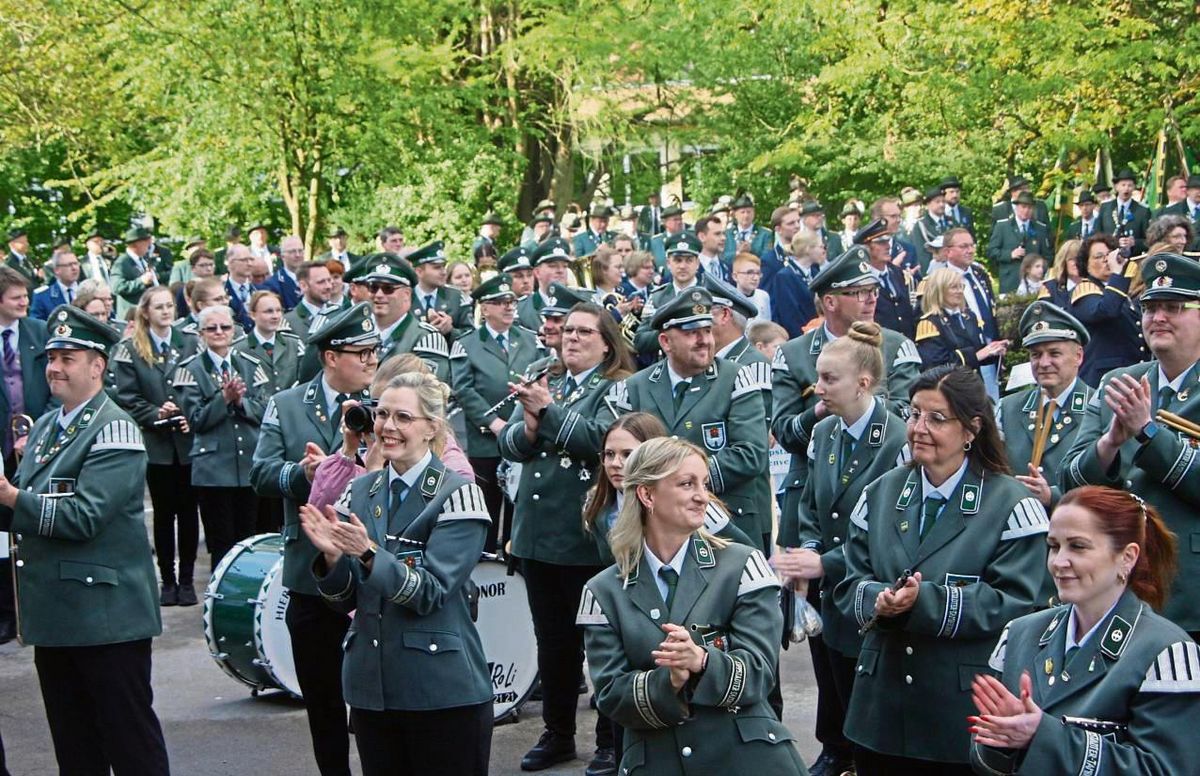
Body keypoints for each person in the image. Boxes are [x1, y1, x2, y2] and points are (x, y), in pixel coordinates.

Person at [833, 365, 1049, 773]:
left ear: (971, 430)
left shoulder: (1012, 504)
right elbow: (848, 584)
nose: (918, 427)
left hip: (957, 713)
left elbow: (1020, 604)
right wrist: (879, 600)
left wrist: (925, 602)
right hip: (881, 709)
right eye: (913, 414)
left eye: (937, 418)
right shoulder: (880, 493)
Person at [0, 305, 169, 775]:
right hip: (56, 615)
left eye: (67, 357)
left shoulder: (114, 427)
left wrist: (12, 496)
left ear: (97, 365)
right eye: (51, 356)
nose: (54, 367)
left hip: (106, 617)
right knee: (75, 747)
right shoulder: (49, 426)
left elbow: (86, 516)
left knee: (129, 742)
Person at [578, 437, 806, 775]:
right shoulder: (603, 591)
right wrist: (668, 681)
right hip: (659, 761)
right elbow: (612, 696)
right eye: (687, 484)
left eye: (704, 483)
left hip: (746, 757)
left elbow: (760, 673)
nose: (703, 496)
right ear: (647, 494)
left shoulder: (743, 565)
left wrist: (701, 662)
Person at [301, 371, 493, 775]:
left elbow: (431, 592)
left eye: (404, 417)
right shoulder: (361, 490)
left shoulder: (459, 492)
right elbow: (345, 600)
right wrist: (333, 561)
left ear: (432, 429)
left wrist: (369, 553)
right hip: (373, 688)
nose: (388, 426)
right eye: (382, 414)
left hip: (440, 690)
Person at [970, 486, 1200, 775]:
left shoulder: (1166, 652)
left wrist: (1042, 736)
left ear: (1127, 557)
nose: (1058, 562)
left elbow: (1165, 769)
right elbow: (983, 759)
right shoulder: (1019, 634)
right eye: (1054, 546)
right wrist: (1003, 741)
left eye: (1078, 546)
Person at [496, 302, 632, 773]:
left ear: (606, 342)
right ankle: (557, 733)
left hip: (586, 538)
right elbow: (510, 445)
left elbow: (607, 442)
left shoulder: (616, 387)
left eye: (583, 331)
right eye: (567, 330)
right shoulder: (544, 376)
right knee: (552, 643)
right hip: (537, 534)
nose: (570, 337)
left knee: (601, 643)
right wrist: (532, 427)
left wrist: (548, 414)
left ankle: (610, 740)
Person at [774, 321, 910, 776]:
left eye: (830, 379)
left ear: (864, 383)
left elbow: (890, 529)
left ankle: (864, 753)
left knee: (863, 673)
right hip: (830, 579)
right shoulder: (824, 432)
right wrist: (809, 549)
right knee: (828, 663)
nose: (818, 387)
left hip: (868, 580)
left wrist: (825, 561)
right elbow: (811, 502)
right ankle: (835, 748)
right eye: (818, 376)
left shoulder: (896, 439)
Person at [250, 301, 378, 776]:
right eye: (359, 352)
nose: (370, 361)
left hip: (369, 570)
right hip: (310, 572)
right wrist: (302, 473)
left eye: (373, 351)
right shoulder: (287, 405)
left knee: (375, 703)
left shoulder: (388, 405)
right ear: (330, 357)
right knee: (323, 700)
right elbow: (261, 473)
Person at [1061, 252, 1200, 640]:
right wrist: (1109, 443)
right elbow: (1069, 480)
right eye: (1150, 308)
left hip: (1189, 594)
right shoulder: (1119, 381)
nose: (1158, 318)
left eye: (1174, 307)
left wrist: (1149, 434)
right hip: (1116, 590)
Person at [772, 246, 921, 554]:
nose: (871, 299)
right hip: (812, 501)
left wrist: (855, 404)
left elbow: (908, 413)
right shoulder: (792, 353)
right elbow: (785, 431)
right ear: (830, 302)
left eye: (874, 291)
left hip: (878, 481)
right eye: (859, 292)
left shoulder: (897, 346)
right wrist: (821, 409)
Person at [609, 288, 771, 551]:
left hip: (725, 523)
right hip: (656, 531)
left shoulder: (737, 378)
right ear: (665, 341)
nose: (704, 340)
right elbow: (623, 455)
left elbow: (750, 454)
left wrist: (680, 484)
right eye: (691, 333)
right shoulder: (635, 387)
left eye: (707, 330)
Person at [113, 287, 201, 607]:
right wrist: (154, 413)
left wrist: (189, 412)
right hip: (157, 444)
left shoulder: (190, 340)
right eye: (159, 307)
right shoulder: (132, 348)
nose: (166, 311)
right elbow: (126, 396)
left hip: (188, 440)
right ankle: (168, 579)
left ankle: (188, 579)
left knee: (189, 513)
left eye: (169, 306)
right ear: (146, 312)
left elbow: (200, 383)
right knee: (164, 514)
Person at [450, 273, 546, 552]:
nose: (508, 306)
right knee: (487, 507)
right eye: (499, 302)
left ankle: (516, 562)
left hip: (524, 435)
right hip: (485, 441)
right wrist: (493, 423)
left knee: (520, 506)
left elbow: (540, 378)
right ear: (485, 307)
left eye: (511, 301)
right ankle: (485, 563)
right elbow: (464, 390)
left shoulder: (529, 339)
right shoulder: (466, 343)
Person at [583, 413, 754, 568]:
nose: (615, 463)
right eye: (609, 454)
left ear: (654, 457)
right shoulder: (599, 506)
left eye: (628, 454)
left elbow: (749, 556)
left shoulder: (697, 508)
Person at [174, 304, 269, 568]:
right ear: (201, 333)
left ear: (234, 330)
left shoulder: (250, 364)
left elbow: (265, 409)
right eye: (211, 328)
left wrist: (241, 404)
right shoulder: (190, 369)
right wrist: (224, 398)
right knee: (221, 542)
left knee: (249, 539)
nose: (219, 332)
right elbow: (196, 421)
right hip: (214, 469)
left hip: (249, 463)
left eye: (225, 327)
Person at [996, 303, 1093, 516]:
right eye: (1036, 355)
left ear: (1078, 356)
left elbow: (1109, 481)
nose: (1044, 363)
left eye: (1054, 353)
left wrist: (1053, 496)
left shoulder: (1098, 407)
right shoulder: (1009, 407)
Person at [1069, 235, 1147, 387]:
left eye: (1109, 254)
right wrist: (1118, 274)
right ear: (1086, 264)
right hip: (1102, 380)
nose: (1106, 260)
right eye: (1098, 257)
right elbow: (1107, 311)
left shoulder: (1119, 292)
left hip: (1129, 376)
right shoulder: (1085, 288)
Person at [362, 258, 450, 379]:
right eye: (373, 287)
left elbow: (429, 392)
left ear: (407, 294)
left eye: (388, 288)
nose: (379, 294)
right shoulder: (356, 332)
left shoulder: (425, 338)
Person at [915, 268, 1008, 376]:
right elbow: (935, 365)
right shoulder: (929, 323)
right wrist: (976, 356)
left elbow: (978, 353)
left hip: (974, 383)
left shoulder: (969, 317)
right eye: (954, 287)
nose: (959, 291)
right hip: (951, 388)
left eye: (961, 286)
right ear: (939, 290)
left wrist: (993, 350)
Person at [633, 232, 703, 358]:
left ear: (697, 263)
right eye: (677, 260)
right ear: (668, 263)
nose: (682, 266)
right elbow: (639, 341)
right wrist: (670, 333)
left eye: (689, 260)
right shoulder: (657, 297)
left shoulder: (709, 295)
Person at [858, 218, 917, 339]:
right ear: (866, 247)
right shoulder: (860, 280)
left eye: (887, 241)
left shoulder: (897, 273)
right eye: (880, 242)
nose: (887, 246)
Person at [236, 290, 303, 396]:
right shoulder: (239, 350)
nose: (275, 316)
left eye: (278, 310)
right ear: (253, 315)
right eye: (268, 311)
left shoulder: (294, 344)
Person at [987, 191, 1054, 294]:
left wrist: (1039, 270)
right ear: (1017, 207)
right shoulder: (1002, 227)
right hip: (1009, 283)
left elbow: (1048, 256)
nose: (1026, 211)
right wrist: (1010, 254)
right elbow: (991, 251)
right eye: (1023, 207)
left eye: (1029, 208)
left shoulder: (1040, 228)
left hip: (1034, 285)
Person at [409, 241, 474, 342]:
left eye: (443, 266)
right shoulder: (405, 298)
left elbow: (472, 336)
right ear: (419, 272)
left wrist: (451, 331)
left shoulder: (455, 297)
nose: (443, 272)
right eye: (437, 267)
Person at [1098, 168, 1152, 255]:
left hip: (1132, 262)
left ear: (1134, 187)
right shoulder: (1105, 208)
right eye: (1123, 185)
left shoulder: (1143, 211)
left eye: (1130, 185)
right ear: (1116, 187)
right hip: (1108, 258)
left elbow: (1149, 241)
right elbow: (1098, 236)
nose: (1126, 189)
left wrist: (1135, 242)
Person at [112, 227, 163, 317]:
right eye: (145, 241)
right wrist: (141, 281)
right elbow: (117, 287)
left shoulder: (142, 260)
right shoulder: (122, 262)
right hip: (131, 316)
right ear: (136, 244)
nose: (149, 244)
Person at [283, 261, 335, 339]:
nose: (328, 286)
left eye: (329, 280)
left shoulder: (340, 313)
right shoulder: (289, 322)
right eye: (321, 282)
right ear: (303, 286)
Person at [31, 250, 81, 320]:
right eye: (69, 265)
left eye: (76, 263)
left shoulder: (89, 291)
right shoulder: (42, 297)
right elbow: (36, 325)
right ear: (56, 270)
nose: (74, 268)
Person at [1037, 238, 1082, 309]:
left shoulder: (1093, 286)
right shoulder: (1049, 288)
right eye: (1071, 259)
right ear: (1063, 262)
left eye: (1079, 259)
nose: (1075, 263)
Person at [731, 252, 772, 325]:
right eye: (749, 273)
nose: (755, 278)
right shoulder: (730, 300)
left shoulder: (763, 296)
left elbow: (767, 325)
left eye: (758, 273)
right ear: (735, 276)